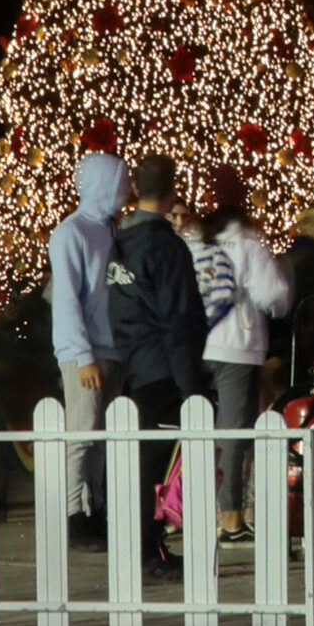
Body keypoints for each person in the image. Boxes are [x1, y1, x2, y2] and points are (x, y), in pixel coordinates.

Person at [105, 154, 210, 576]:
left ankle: (138, 546)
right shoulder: (168, 247)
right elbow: (182, 320)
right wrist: (192, 387)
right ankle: (150, 552)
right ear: (171, 191)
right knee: (155, 466)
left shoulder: (118, 244)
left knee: (136, 461)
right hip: (162, 369)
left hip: (126, 365)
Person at [187, 171, 290, 544]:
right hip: (238, 347)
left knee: (198, 427)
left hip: (197, 344)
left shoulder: (193, 241)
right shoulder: (247, 243)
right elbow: (273, 295)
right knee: (234, 431)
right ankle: (229, 515)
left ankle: (186, 507)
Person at [47, 151, 127, 551]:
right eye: (120, 182)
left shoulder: (113, 231)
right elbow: (67, 299)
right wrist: (81, 355)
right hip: (86, 353)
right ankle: (72, 517)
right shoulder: (70, 232)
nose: (126, 190)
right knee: (82, 434)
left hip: (111, 349)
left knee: (100, 437)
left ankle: (93, 511)